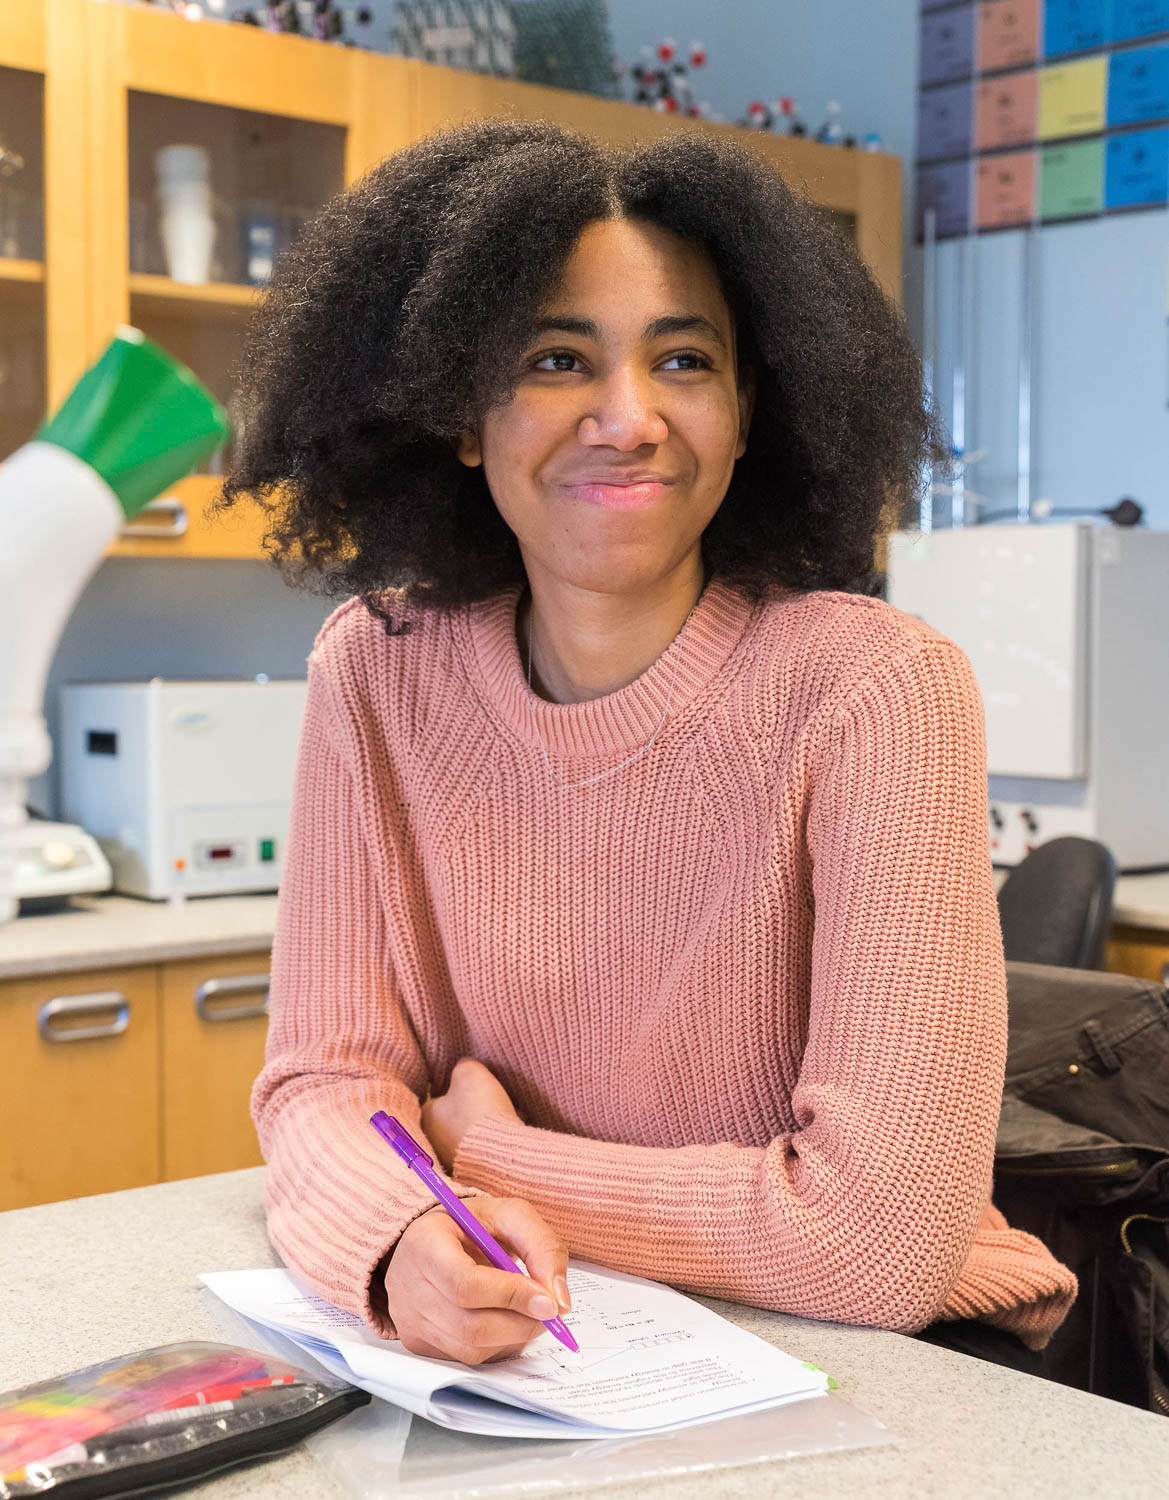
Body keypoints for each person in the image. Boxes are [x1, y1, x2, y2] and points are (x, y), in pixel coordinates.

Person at [220, 119, 1076, 1373]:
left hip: (884, 1369)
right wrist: (402, 1236)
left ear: (745, 415)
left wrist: (489, 1158)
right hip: (547, 1356)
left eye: (684, 360)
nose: (627, 417)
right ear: (459, 416)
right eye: (557, 358)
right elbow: (322, 1083)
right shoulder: (378, 668)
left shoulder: (875, 689)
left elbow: (882, 1244)